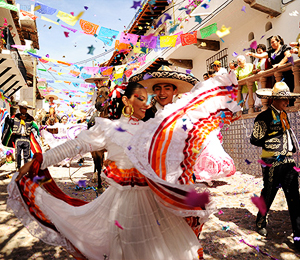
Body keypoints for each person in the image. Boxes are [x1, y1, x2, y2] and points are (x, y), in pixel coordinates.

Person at [8, 73, 239, 260]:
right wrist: (39, 160)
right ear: (126, 100)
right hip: (124, 203)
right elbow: (75, 146)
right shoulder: (108, 128)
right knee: (130, 248)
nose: (145, 103)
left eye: (146, 99)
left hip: (155, 201)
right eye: (139, 98)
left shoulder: (152, 129)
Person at [250, 82, 300, 249]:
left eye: (287, 99)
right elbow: (254, 139)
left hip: (288, 161)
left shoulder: (284, 114)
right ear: (274, 99)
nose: (286, 102)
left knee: (295, 198)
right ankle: (260, 221)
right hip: (272, 162)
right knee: (269, 193)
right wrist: (272, 137)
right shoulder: (263, 117)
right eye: (283, 99)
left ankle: (298, 235)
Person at [129, 68, 199, 121]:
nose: (162, 92)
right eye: (158, 89)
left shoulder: (183, 113)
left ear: (174, 91)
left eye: (167, 89)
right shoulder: (143, 114)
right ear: (154, 92)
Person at [246, 35, 294, 105]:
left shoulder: (284, 47)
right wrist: (252, 54)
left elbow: (288, 55)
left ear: (279, 41)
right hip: (277, 76)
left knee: (289, 91)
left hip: (287, 74)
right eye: (271, 43)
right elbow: (261, 56)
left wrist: (279, 64)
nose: (271, 44)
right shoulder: (271, 52)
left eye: (273, 42)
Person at [11, 101, 35, 170]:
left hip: (26, 138)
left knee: (26, 155)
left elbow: (35, 128)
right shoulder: (15, 117)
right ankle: (18, 168)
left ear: (26, 109)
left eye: (23, 108)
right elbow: (10, 124)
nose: (22, 110)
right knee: (17, 154)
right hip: (18, 138)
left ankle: (26, 169)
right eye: (21, 108)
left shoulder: (30, 118)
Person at [252, 44, 269, 110]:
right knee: (259, 89)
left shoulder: (266, 57)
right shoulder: (256, 60)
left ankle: (265, 104)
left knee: (265, 89)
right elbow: (253, 70)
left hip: (266, 76)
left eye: (260, 49)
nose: (258, 50)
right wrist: (256, 70)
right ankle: (258, 105)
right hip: (258, 78)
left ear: (264, 50)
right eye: (257, 49)